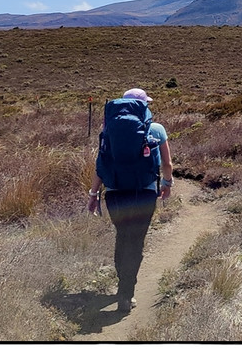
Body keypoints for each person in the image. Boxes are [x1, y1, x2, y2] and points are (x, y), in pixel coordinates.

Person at [87, 87, 173, 314]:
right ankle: (127, 293)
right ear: (144, 105)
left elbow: (101, 165)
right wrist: (167, 184)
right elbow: (167, 164)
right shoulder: (156, 129)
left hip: (114, 193)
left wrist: (93, 194)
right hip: (143, 193)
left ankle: (121, 286)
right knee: (136, 241)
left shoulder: (107, 130)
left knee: (122, 236)